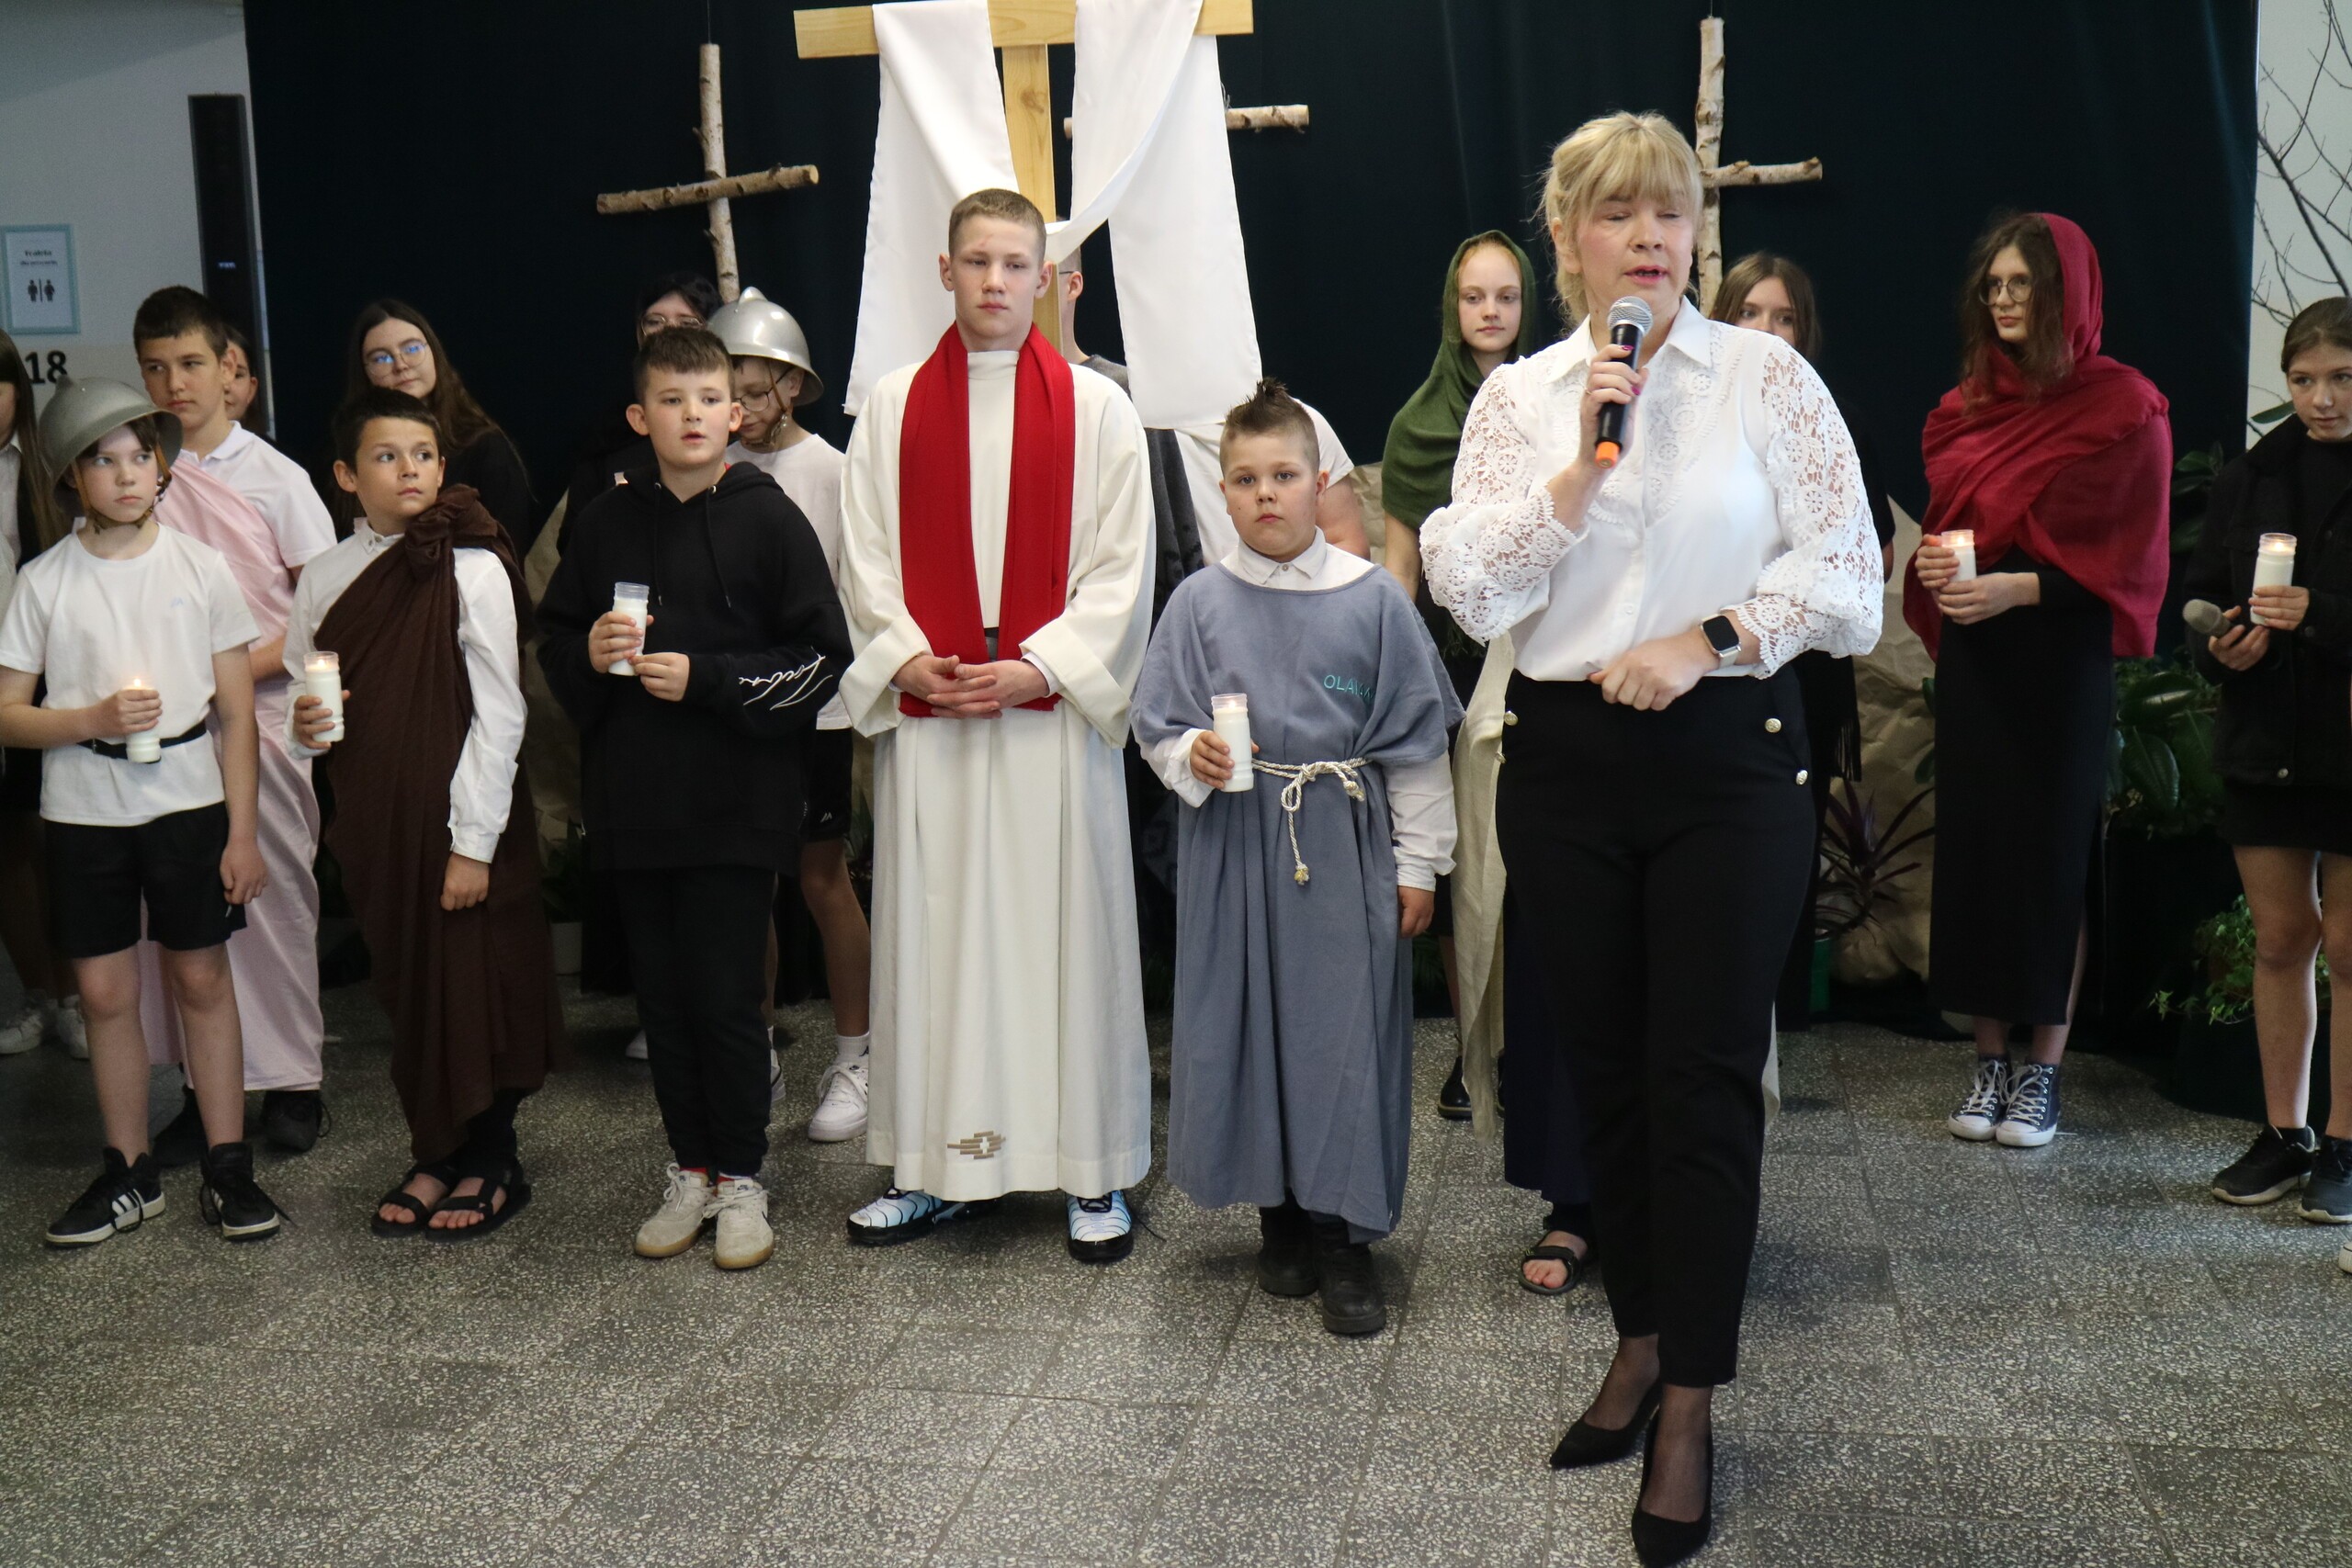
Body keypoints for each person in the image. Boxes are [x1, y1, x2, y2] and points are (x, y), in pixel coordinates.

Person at [1421, 113, 1880, 1561]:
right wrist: (1576, 473)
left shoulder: (1766, 376)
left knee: (1702, 1080)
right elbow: (1468, 585)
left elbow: (1851, 575)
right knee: (1603, 1073)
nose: (1648, 238)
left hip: (1728, 755)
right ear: (1567, 239)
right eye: (1616, 213)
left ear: (1696, 231)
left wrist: (1710, 637)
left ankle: (1689, 1400)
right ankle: (1638, 1333)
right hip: (1564, 761)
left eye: (1668, 213)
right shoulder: (1527, 398)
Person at [835, 188, 1154, 1262]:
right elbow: (863, 556)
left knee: (1065, 939)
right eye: (976, 261)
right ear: (945, 271)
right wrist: (905, 657)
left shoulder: (1097, 410)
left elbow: (1122, 571)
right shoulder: (890, 408)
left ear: (1046, 280)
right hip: (936, 708)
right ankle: (935, 1169)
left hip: (1045, 716)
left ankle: (1090, 1172)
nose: (995, 281)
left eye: (1016, 264)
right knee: (936, 940)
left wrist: (1037, 668)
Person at [1134, 378, 1461, 1335]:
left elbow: (1414, 746)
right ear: (1223, 493)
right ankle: (1277, 1210)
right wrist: (1187, 755)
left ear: (1320, 484)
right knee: (1248, 1027)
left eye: (1283, 475)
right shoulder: (1198, 604)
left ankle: (1342, 1232)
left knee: (1338, 1036)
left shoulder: (1372, 600)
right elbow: (1156, 725)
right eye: (1245, 480)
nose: (1265, 494)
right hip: (1234, 846)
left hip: (1339, 842)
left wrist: (1418, 865)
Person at [539, 327, 848, 1270]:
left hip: (735, 806)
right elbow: (556, 639)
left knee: (725, 999)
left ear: (737, 412)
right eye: (672, 401)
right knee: (665, 1002)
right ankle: (691, 1170)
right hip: (635, 803)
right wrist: (588, 653)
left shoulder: (769, 519)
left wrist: (710, 679)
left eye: (710, 398)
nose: (693, 416)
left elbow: (820, 657)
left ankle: (743, 1179)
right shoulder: (605, 520)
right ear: (642, 417)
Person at [1907, 214, 2170, 1151]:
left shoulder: (2124, 410)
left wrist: (2016, 588)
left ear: (2067, 292)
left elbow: (2132, 567)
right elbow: (1954, 532)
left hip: (2062, 665)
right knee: (1977, 859)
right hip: (1980, 664)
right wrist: (1938, 569)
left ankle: (2044, 1073)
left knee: (2051, 864)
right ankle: (1989, 1062)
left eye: (2023, 283)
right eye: (1994, 286)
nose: (2005, 300)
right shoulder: (1964, 409)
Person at [0, 379, 279, 1245]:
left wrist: (242, 832)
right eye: (102, 460)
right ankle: (129, 1169)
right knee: (103, 990)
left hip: (190, 801)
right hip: (83, 808)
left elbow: (237, 713)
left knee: (201, 976)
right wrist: (88, 719)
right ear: (70, 477)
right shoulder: (44, 579)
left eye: (139, 456)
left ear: (161, 466)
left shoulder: (200, 567)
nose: (126, 475)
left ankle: (228, 1162)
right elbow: (8, 711)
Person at [290, 386, 569, 1236]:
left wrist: (473, 842)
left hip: (462, 817)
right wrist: (305, 727)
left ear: (443, 467)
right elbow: (310, 692)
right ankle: (436, 1150)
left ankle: (492, 1156)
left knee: (477, 978)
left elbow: (501, 710)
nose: (408, 470)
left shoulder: (473, 567)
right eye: (385, 456)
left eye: (422, 455)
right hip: (376, 819)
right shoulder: (325, 576)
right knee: (410, 983)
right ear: (346, 475)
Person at [134, 285, 335, 1156]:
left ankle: (294, 1081)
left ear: (228, 369)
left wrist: (222, 675)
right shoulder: (141, 473)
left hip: (264, 710)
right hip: (168, 725)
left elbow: (323, 609)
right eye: (155, 368)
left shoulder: (275, 477)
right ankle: (200, 1086)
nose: (173, 384)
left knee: (274, 893)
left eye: (189, 363)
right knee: (181, 902)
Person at [2186, 296, 2352, 1226]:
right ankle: (2285, 1131)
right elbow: (2206, 596)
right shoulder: (2254, 475)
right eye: (2302, 380)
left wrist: (2318, 616)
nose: (2321, 399)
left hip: (2347, 740)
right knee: (2282, 938)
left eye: (2342, 378)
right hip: (2266, 736)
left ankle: (2346, 1144)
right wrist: (2223, 644)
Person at [1708, 253, 1900, 1028]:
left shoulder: (1834, 419)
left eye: (1784, 317)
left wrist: (1797, 585)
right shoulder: (1691, 418)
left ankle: (1778, 1014)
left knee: (1787, 842)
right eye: (1750, 312)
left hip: (1801, 669)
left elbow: (1876, 551)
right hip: (1706, 663)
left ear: (1805, 329)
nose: (1767, 330)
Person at [1379, 231, 1543, 1121]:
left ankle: (1536, 1041)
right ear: (1453, 306)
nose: (1490, 311)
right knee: (1458, 864)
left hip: (1540, 654)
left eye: (1505, 296)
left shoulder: (1551, 402)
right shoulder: (1417, 425)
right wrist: (1396, 682)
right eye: (1474, 296)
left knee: (1530, 850)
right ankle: (1474, 1043)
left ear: (1526, 305)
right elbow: (1402, 570)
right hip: (1450, 662)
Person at [708, 287, 874, 1140]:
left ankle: (857, 1056)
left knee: (818, 875)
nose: (745, 402)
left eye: (759, 383)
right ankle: (758, 1051)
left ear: (793, 385)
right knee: (749, 885)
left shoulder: (834, 471)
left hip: (817, 708)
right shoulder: (711, 471)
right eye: (729, 384)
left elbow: (853, 594)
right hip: (737, 706)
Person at [0, 330, 80, 1059]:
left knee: (54, 838)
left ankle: (79, 993)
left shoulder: (48, 471)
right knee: (5, 848)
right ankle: (37, 994)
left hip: (43, 682)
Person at [337, 299, 536, 553]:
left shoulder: (485, 447)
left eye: (412, 349)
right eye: (381, 358)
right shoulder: (351, 454)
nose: (401, 365)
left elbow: (508, 551)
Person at [558, 271, 723, 555]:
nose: (669, 332)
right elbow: (574, 544)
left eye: (687, 323)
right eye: (655, 321)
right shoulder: (611, 433)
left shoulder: (731, 432)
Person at [221, 322, 263, 435]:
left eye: (237, 375)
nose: (225, 386)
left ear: (251, 390)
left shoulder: (263, 447)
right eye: (216, 373)